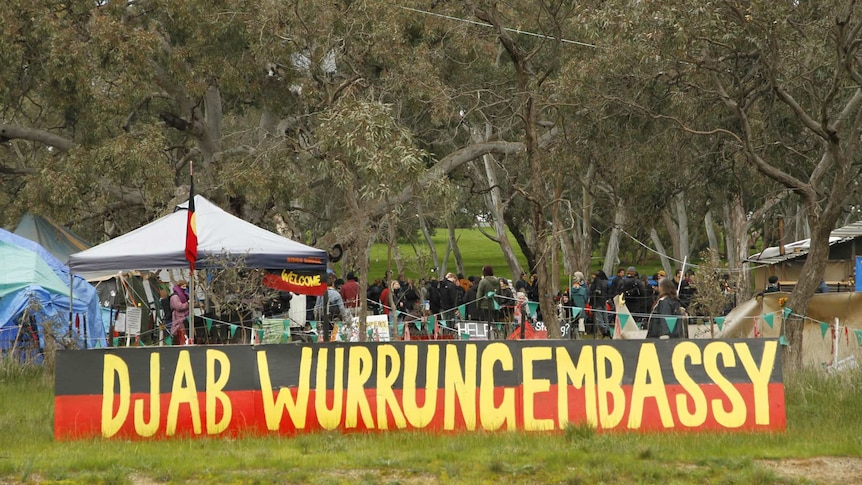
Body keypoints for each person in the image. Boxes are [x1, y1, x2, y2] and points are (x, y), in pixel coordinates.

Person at [476, 265, 500, 338]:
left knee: (486, 325)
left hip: (485, 306)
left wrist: (478, 305)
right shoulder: (497, 281)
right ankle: (496, 337)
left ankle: (487, 338)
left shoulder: (483, 282)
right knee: (495, 323)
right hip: (495, 305)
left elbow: (479, 295)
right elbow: (500, 293)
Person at [590, 270, 610, 338]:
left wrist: (593, 295)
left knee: (599, 317)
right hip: (603, 301)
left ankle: (604, 330)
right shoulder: (603, 282)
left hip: (598, 302)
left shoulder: (597, 282)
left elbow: (597, 291)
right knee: (605, 316)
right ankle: (607, 328)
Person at [170, 280, 191, 345]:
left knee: (185, 334)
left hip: (185, 317)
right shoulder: (175, 297)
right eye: (183, 286)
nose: (184, 288)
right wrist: (188, 304)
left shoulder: (185, 295)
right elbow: (178, 307)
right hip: (178, 318)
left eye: (185, 286)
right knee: (178, 333)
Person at [569, 271, 589, 336]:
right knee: (581, 319)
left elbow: (570, 298)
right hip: (581, 306)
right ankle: (581, 330)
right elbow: (586, 299)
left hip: (573, 306)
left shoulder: (571, 290)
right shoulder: (583, 290)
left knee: (573, 318)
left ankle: (572, 330)